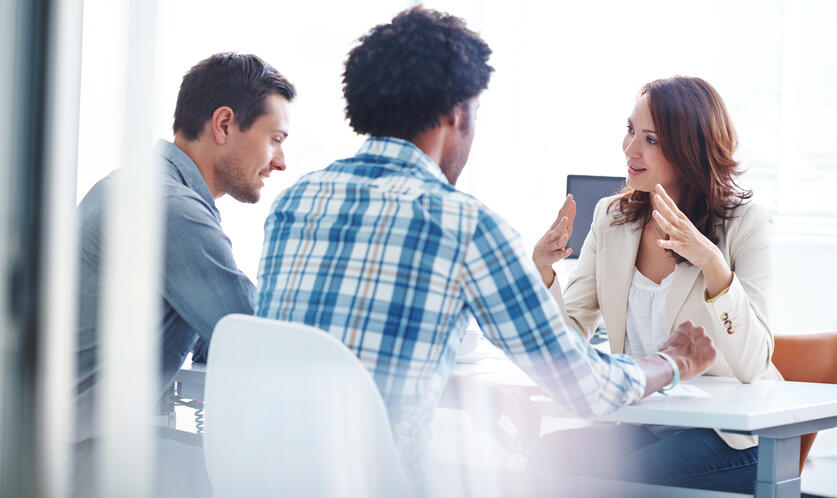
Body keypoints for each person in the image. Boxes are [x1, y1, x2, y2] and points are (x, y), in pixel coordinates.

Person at [255, 7, 716, 488]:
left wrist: (470, 394)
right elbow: (586, 388)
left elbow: (347, 369)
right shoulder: (463, 223)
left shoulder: (295, 203)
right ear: (457, 113)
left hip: (262, 480)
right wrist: (674, 362)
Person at [529, 76, 781, 493]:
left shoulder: (745, 224)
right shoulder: (611, 218)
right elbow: (570, 334)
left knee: (626, 477)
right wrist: (543, 271)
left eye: (651, 139)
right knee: (546, 458)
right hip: (643, 423)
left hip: (731, 437)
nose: (630, 149)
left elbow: (753, 365)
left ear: (689, 147)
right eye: (631, 131)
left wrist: (712, 264)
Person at [74, 52, 295, 493]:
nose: (281, 161)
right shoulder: (170, 207)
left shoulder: (140, 185)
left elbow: (216, 330)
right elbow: (251, 333)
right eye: (275, 139)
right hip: (79, 459)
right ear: (225, 124)